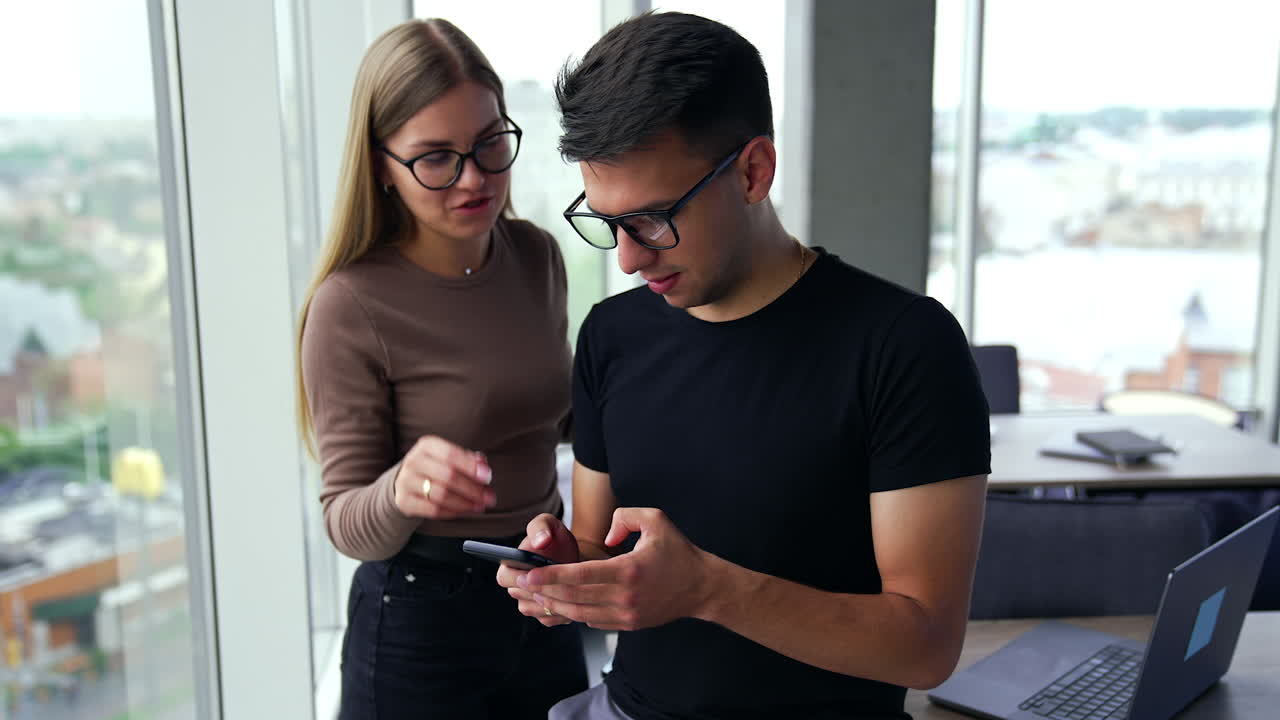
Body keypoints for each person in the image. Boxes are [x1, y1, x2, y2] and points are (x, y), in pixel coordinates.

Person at [495, 12, 991, 720]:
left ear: (754, 171)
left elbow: (927, 644)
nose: (629, 259)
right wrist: (564, 570)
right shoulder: (612, 335)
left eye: (653, 219)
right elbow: (608, 555)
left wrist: (708, 588)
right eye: (607, 223)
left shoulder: (904, 347)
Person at [296, 18, 586, 719]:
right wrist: (403, 489)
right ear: (379, 167)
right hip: (421, 623)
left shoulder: (535, 256)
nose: (475, 178)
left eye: (491, 144)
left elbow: (555, 415)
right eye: (436, 158)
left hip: (543, 594)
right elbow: (344, 522)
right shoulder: (350, 306)